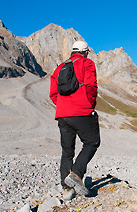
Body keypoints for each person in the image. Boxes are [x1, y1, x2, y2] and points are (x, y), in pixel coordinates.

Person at [49, 41, 100, 198]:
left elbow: (53, 94)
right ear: (85, 52)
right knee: (92, 142)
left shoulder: (58, 69)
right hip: (81, 111)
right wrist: (89, 104)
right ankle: (76, 174)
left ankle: (67, 189)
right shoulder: (87, 63)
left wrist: (64, 106)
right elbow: (91, 86)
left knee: (67, 151)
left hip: (63, 115)